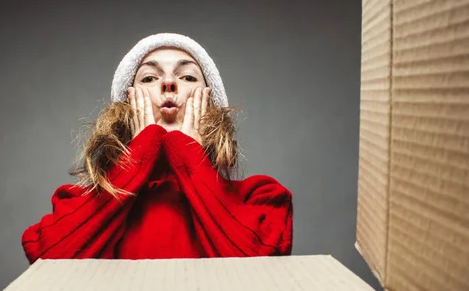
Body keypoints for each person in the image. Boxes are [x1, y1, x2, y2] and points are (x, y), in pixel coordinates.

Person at [21, 33, 293, 263]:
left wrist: (188, 156)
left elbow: (259, 272)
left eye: (187, 76)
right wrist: (140, 153)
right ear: (124, 108)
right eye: (149, 78)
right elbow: (48, 268)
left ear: (211, 107)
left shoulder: (260, 198)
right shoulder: (77, 201)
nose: (168, 83)